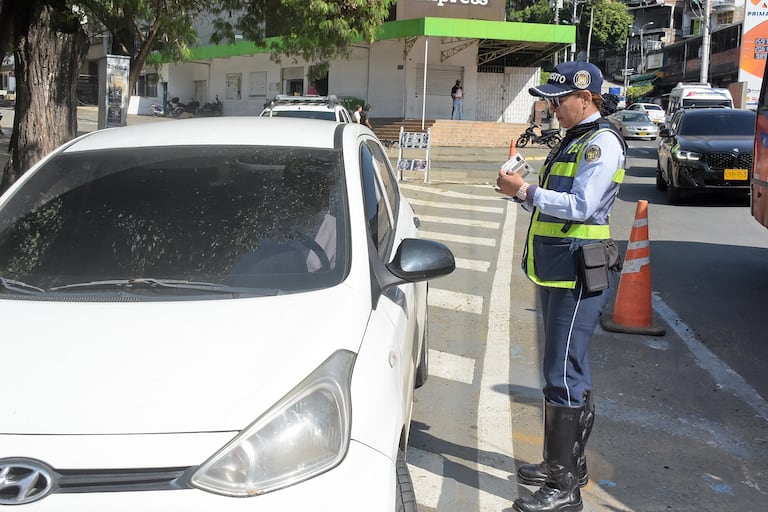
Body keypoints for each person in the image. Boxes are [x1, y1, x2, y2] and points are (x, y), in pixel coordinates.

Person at [495, 61, 626, 512]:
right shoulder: (575, 139)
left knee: (562, 375)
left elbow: (583, 206)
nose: (552, 107)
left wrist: (525, 192)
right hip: (557, 267)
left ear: (585, 98)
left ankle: (564, 487)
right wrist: (520, 188)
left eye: (560, 99)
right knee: (567, 368)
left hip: (576, 272)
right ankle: (564, 464)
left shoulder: (600, 143)